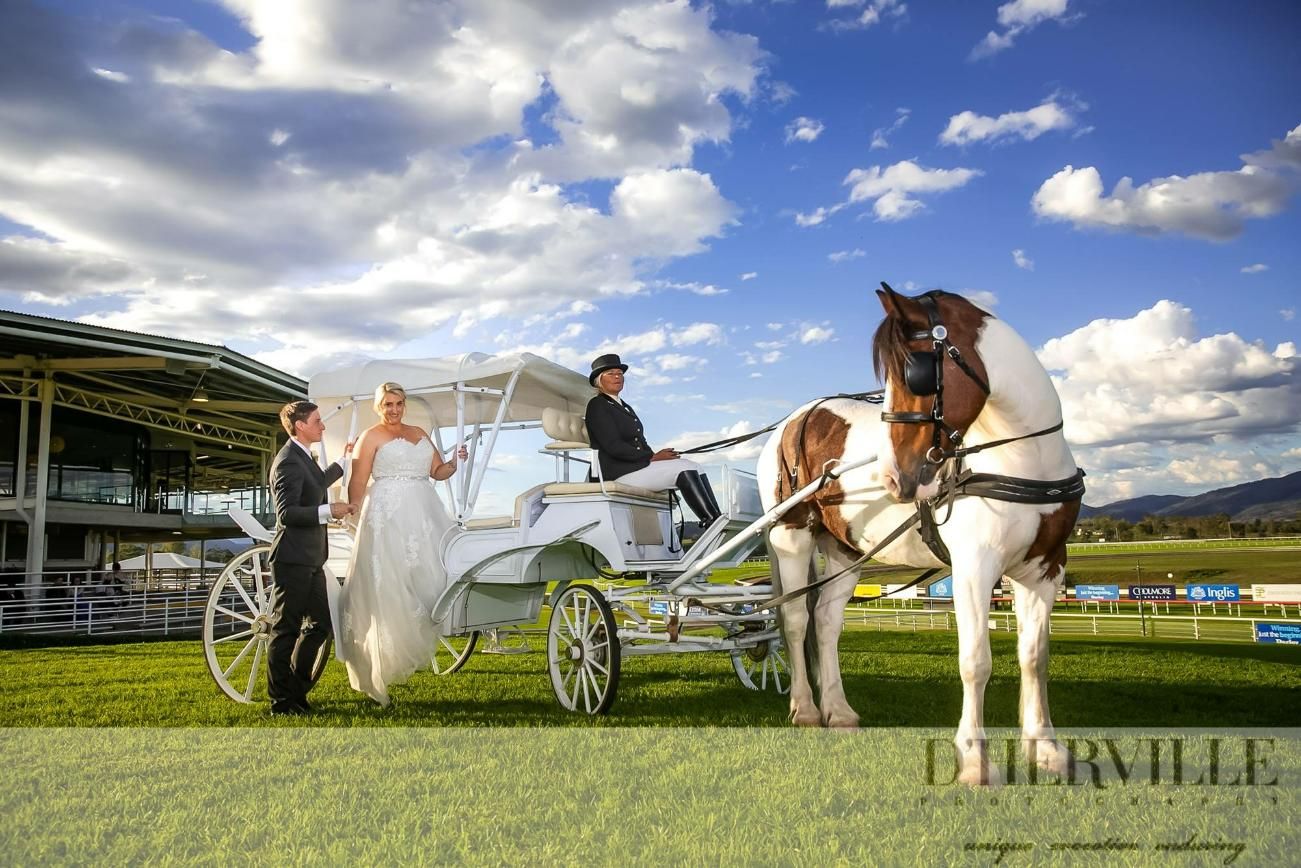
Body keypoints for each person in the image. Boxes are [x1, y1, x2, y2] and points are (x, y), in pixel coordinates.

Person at [337, 382, 469, 707]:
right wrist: (353, 511)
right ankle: (380, 663)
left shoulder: (419, 432)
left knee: (433, 576)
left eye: (398, 403)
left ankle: (427, 629)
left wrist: (454, 462)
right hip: (387, 515)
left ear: (404, 404)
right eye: (387, 404)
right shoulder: (370, 436)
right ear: (378, 407)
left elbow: (437, 471)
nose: (393, 409)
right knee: (389, 586)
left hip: (424, 513)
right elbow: (358, 479)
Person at [267, 400, 355, 716]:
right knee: (285, 630)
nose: (323, 425)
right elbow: (286, 513)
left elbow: (316, 483)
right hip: (292, 559)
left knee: (321, 625)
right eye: (318, 420)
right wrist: (328, 511)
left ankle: (297, 692)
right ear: (301, 425)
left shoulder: (303, 457)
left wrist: (344, 461)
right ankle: (281, 702)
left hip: (312, 559)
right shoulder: (288, 461)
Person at [584, 353, 722, 528]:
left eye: (620, 373)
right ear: (599, 380)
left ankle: (717, 517)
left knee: (696, 466)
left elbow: (640, 442)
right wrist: (650, 458)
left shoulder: (624, 406)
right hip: (616, 473)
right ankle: (711, 521)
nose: (618, 377)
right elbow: (613, 446)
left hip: (634, 467)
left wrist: (656, 455)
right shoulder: (597, 405)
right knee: (684, 467)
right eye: (611, 373)